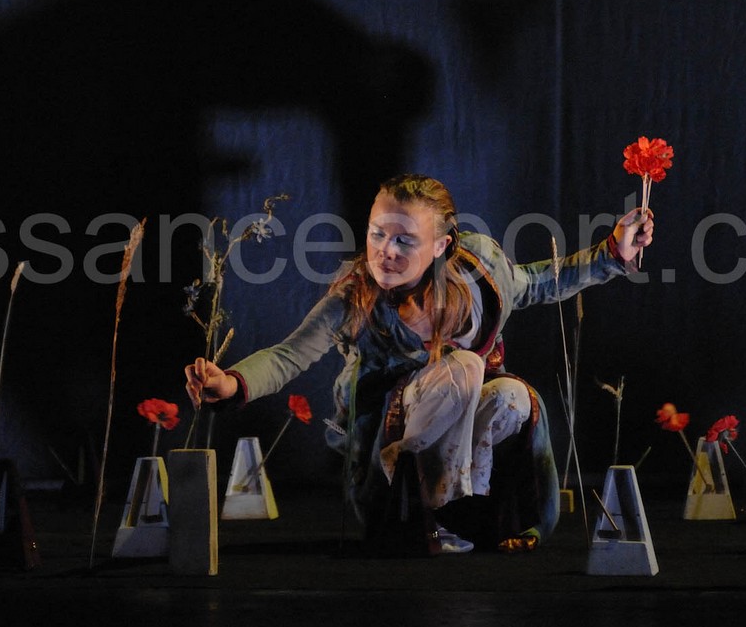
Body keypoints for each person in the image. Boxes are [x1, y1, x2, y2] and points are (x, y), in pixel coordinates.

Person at [185, 173, 653, 554]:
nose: (386, 251)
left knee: (512, 397)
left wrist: (614, 252)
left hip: (463, 428)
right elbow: (290, 354)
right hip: (392, 440)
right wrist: (231, 382)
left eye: (405, 241)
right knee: (464, 366)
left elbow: (537, 283)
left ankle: (472, 510)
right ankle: (431, 502)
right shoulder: (356, 296)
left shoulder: (479, 274)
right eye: (377, 234)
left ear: (441, 245)